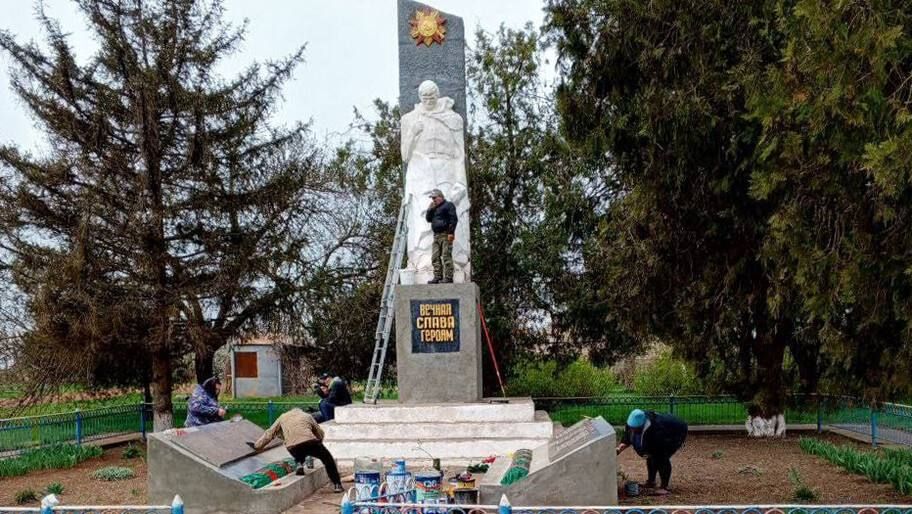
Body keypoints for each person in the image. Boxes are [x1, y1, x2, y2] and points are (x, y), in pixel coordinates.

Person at [247, 407, 344, 493]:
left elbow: (269, 433)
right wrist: (319, 442)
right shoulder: (307, 416)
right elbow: (319, 432)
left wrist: (257, 446)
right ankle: (337, 485)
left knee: (297, 448)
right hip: (310, 442)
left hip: (293, 447)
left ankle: (299, 464)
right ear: (300, 411)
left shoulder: (282, 417)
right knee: (328, 460)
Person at [616, 408, 688, 496]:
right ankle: (651, 482)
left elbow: (660, 452)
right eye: (632, 428)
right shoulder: (631, 423)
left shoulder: (656, 429)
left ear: (642, 425)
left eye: (636, 429)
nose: (633, 430)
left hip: (676, 431)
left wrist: (653, 453)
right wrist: (619, 448)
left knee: (661, 458)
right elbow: (628, 436)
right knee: (650, 456)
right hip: (660, 433)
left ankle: (664, 487)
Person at [424, 188, 457, 284]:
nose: (433, 200)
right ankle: (437, 276)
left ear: (440, 197)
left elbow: (453, 219)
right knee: (435, 257)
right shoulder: (434, 207)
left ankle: (449, 277)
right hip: (436, 236)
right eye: (432, 198)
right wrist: (430, 209)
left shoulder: (448, 205)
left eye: (434, 198)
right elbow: (428, 219)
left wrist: (451, 233)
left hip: (445, 234)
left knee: (446, 256)